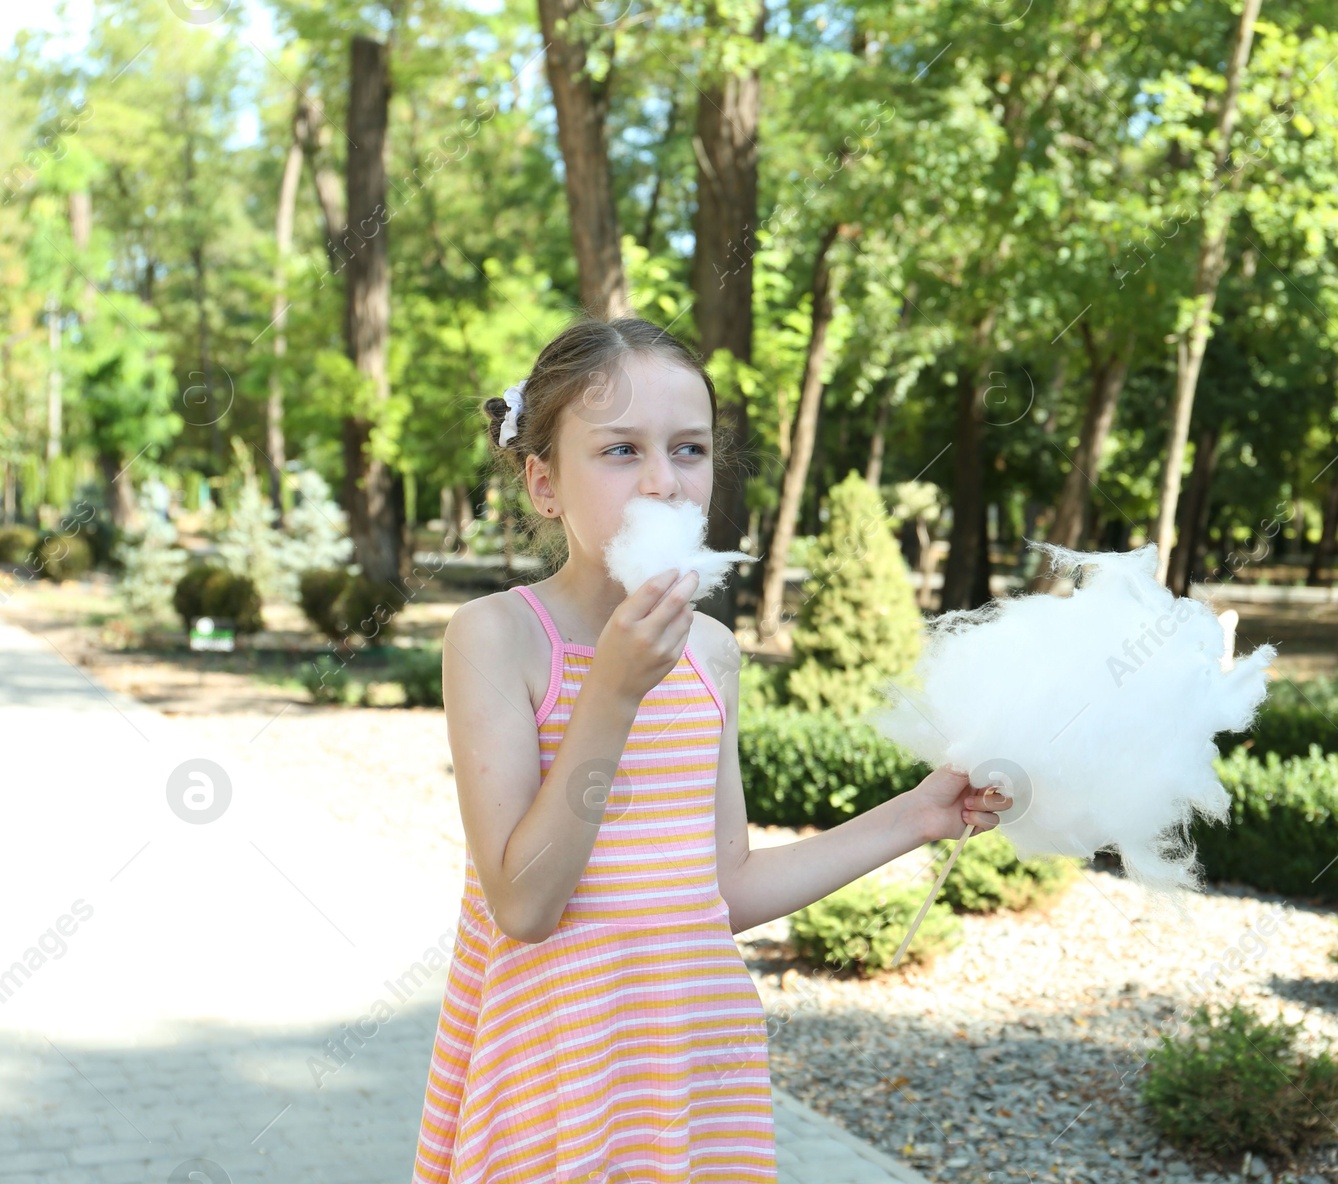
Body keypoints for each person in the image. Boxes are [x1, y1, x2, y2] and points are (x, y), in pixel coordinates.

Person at [411, 315, 1012, 1183]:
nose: (662, 481)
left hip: (688, 1062)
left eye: (689, 450)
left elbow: (722, 889)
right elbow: (524, 905)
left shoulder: (711, 652)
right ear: (544, 483)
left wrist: (919, 815)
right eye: (620, 452)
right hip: (558, 1065)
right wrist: (613, 690)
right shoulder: (498, 637)